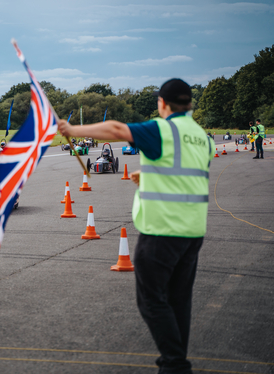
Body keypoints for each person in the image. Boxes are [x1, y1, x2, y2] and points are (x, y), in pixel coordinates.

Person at [58, 78, 215, 374]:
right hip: (193, 231)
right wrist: (150, 174)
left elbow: (117, 129)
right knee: (178, 302)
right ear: (189, 104)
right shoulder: (201, 136)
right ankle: (175, 362)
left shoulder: (163, 128)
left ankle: (175, 365)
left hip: (162, 230)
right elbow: (188, 172)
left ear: (162, 103)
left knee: (151, 300)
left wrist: (72, 130)